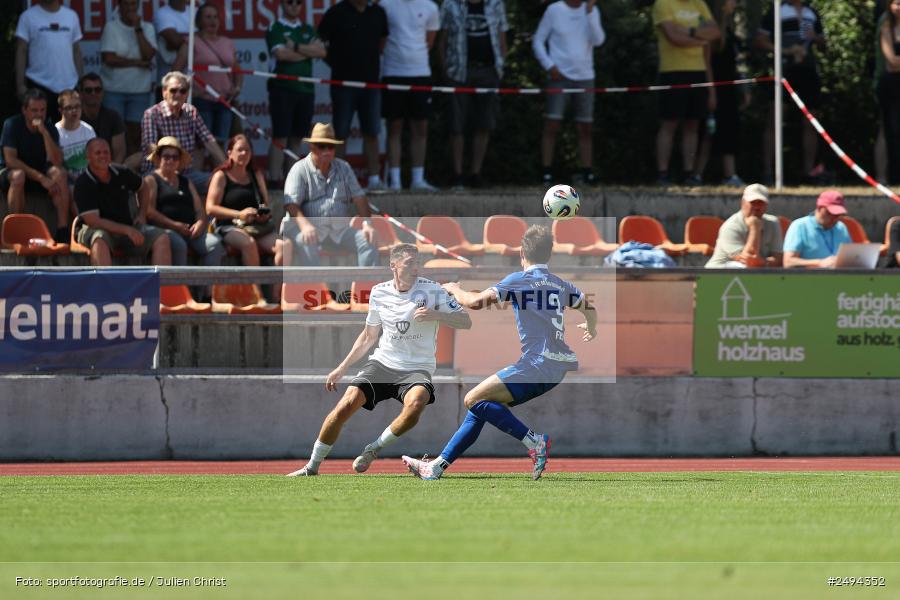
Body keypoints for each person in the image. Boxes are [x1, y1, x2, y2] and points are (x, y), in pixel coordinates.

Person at [403, 225, 597, 481]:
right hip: (557, 368)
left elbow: (475, 302)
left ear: (521, 253)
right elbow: (589, 308)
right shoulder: (561, 284)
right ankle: (436, 468)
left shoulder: (519, 280)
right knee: (481, 406)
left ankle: (535, 442)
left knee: (472, 399)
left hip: (536, 365)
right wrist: (590, 327)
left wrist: (452, 288)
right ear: (549, 253)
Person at [286, 243, 472, 477]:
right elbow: (368, 336)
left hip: (416, 368)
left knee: (416, 404)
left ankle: (374, 449)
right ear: (393, 265)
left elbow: (465, 321)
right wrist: (342, 368)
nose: (415, 268)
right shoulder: (379, 292)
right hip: (382, 364)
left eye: (417, 262)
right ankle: (311, 467)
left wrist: (436, 315)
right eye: (409, 263)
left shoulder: (433, 290)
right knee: (345, 405)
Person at [277, 123, 378, 268]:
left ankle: (367, 289)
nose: (327, 150)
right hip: (304, 228)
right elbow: (290, 204)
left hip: (339, 230)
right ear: (312, 147)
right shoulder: (299, 169)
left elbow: (360, 197)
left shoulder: (344, 167)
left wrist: (367, 224)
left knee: (368, 240)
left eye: (330, 146)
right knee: (307, 241)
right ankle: (316, 289)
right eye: (322, 146)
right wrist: (305, 226)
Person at [317, 0, 389, 191]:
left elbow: (382, 42)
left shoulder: (378, 13)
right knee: (340, 134)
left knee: (372, 132)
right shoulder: (336, 12)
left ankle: (374, 179)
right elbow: (320, 43)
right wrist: (336, 62)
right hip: (343, 83)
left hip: (371, 83)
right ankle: (338, 180)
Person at [532, 0, 606, 186]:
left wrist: (589, 14)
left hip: (585, 76)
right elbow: (538, 41)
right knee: (552, 123)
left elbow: (599, 40)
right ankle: (546, 172)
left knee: (585, 127)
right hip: (559, 77)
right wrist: (550, 66)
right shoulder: (554, 10)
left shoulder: (591, 10)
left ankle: (587, 171)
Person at [438, 0, 509, 190]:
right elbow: (442, 40)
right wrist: (446, 69)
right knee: (456, 125)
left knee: (485, 123)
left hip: (488, 71)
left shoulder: (496, 4)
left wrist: (500, 65)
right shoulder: (450, 5)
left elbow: (502, 38)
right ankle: (458, 175)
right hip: (459, 72)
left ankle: (475, 174)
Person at [755, 0, 827, 184]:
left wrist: (817, 38)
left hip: (809, 72)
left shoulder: (811, 13)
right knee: (774, 119)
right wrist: (786, 51)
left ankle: (809, 172)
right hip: (784, 71)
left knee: (811, 121)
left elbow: (823, 45)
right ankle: (768, 172)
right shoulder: (776, 11)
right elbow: (761, 41)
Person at [74, 138, 171, 267]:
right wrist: (127, 230)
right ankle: (105, 285)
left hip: (127, 228)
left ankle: (161, 286)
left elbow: (143, 187)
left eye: (106, 152)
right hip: (97, 229)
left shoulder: (121, 171)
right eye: (98, 153)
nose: (103, 156)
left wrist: (142, 214)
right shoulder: (83, 183)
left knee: (161, 237)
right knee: (99, 238)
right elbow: (94, 221)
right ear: (88, 157)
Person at [652, 0, 719, 186]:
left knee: (693, 125)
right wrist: (700, 37)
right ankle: (663, 173)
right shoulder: (663, 4)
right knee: (669, 124)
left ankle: (689, 173)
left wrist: (688, 32)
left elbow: (714, 32)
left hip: (698, 72)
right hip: (672, 72)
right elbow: (674, 37)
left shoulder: (699, 4)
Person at [380, 0, 441, 191]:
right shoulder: (385, 5)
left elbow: (429, 41)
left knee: (420, 127)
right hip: (393, 72)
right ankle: (395, 181)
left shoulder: (430, 7)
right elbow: (381, 41)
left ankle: (418, 179)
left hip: (420, 73)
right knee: (394, 127)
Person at [265, 0, 326, 186]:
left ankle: (291, 182)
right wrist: (308, 52)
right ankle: (274, 179)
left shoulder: (307, 28)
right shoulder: (275, 27)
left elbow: (322, 52)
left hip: (305, 89)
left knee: (297, 137)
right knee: (280, 136)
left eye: (298, 3)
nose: (294, 6)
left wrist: (296, 47)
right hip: (282, 88)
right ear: (282, 5)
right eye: (290, 2)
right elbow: (281, 54)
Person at [0, 89, 71, 243]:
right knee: (19, 176)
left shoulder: (49, 127)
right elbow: (10, 160)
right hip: (15, 174)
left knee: (60, 174)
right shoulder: (12, 125)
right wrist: (41, 178)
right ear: (24, 110)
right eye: (34, 110)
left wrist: (44, 133)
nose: (39, 114)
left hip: (41, 173)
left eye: (42, 110)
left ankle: (62, 230)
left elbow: (57, 161)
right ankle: (16, 229)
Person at [143, 136, 225, 267]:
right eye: (166, 156)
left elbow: (199, 210)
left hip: (190, 231)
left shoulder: (186, 181)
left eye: (175, 157)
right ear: (158, 159)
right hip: (165, 230)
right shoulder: (151, 179)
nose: (170, 160)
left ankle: (208, 287)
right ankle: (180, 286)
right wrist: (175, 225)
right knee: (179, 245)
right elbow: (149, 211)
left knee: (214, 244)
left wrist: (199, 224)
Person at [141, 71, 227, 193]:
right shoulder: (152, 114)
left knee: (220, 181)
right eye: (173, 90)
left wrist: (227, 167)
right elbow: (151, 148)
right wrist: (171, 171)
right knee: (151, 186)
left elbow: (209, 141)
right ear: (164, 92)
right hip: (157, 172)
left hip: (187, 173)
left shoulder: (191, 112)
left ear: (187, 94)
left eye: (182, 91)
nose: (178, 94)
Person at [690, 0, 746, 186]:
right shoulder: (711, 30)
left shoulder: (730, 29)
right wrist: (711, 90)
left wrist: (743, 88)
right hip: (714, 87)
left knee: (728, 129)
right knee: (708, 132)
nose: (735, 3)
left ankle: (730, 174)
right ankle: (696, 174)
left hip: (730, 89)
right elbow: (707, 63)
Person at [206, 134, 277, 267]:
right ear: (230, 153)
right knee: (249, 243)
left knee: (285, 246)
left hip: (255, 226)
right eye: (240, 150)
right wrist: (239, 214)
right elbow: (210, 208)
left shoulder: (256, 174)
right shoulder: (221, 176)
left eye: (247, 150)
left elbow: (266, 204)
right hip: (229, 226)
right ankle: (254, 287)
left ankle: (279, 288)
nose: (244, 153)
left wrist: (263, 215)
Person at [175, 3, 242, 143]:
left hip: (224, 101)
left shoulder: (227, 42)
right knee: (201, 144)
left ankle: (219, 166)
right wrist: (187, 92)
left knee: (222, 143)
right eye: (208, 17)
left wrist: (237, 88)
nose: (213, 21)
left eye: (216, 17)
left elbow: (237, 69)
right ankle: (198, 167)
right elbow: (175, 71)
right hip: (201, 101)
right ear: (199, 21)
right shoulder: (191, 41)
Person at [100, 0, 157, 159]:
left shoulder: (147, 28)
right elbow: (109, 58)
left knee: (135, 135)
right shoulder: (111, 27)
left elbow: (148, 55)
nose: (130, 8)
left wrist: (138, 29)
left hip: (139, 90)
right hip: (114, 90)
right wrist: (138, 63)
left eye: (133, 5)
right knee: (115, 134)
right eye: (126, 4)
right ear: (119, 6)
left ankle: (132, 171)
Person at [15, 0, 83, 123]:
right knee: (37, 130)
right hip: (38, 86)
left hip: (69, 87)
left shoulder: (71, 16)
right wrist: (20, 85)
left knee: (69, 132)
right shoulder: (27, 17)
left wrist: (81, 83)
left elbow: (76, 51)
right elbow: (21, 50)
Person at [706, 183, 783, 268]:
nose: (757, 207)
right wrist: (754, 228)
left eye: (760, 203)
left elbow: (778, 258)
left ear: (766, 205)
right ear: (743, 203)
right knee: (741, 266)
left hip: (754, 273)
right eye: (753, 202)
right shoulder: (730, 226)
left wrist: (763, 263)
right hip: (718, 273)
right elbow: (748, 260)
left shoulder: (773, 222)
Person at [783, 189, 852, 269]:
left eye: (838, 215)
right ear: (819, 208)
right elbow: (788, 262)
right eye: (830, 213)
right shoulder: (799, 226)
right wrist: (819, 263)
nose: (835, 219)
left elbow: (850, 258)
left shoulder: (841, 227)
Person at [78, 73, 128, 166]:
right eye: (88, 90)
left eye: (98, 90)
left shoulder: (113, 117)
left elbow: (119, 153)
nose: (93, 93)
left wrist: (110, 173)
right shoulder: (75, 118)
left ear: (103, 92)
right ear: (80, 94)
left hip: (108, 167)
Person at [878, 0, 900, 184]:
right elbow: (891, 62)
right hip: (891, 86)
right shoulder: (886, 26)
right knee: (891, 130)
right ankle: (891, 177)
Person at [54, 90, 96, 183]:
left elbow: (94, 158)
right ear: (61, 110)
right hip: (67, 180)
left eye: (77, 106)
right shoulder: (55, 132)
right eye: (69, 107)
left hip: (89, 177)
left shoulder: (88, 130)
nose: (74, 111)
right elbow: (56, 164)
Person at [154, 0, 191, 82]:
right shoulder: (162, 13)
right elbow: (174, 41)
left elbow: (207, 38)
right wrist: (195, 39)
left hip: (194, 82)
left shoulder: (195, 11)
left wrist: (182, 38)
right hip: (168, 81)